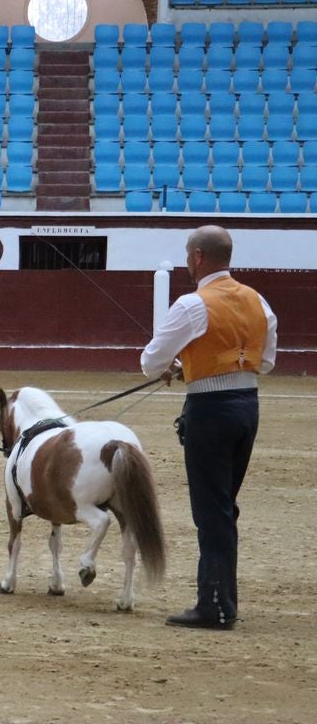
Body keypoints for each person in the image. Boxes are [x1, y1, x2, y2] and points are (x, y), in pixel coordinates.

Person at [140, 225, 278, 631]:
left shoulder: (192, 304)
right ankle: (221, 599)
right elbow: (265, 362)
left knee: (211, 510)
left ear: (198, 256)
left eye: (188, 254)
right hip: (247, 407)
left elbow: (150, 362)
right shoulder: (258, 301)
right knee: (223, 506)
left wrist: (177, 366)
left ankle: (215, 605)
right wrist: (195, 365)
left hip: (210, 411)